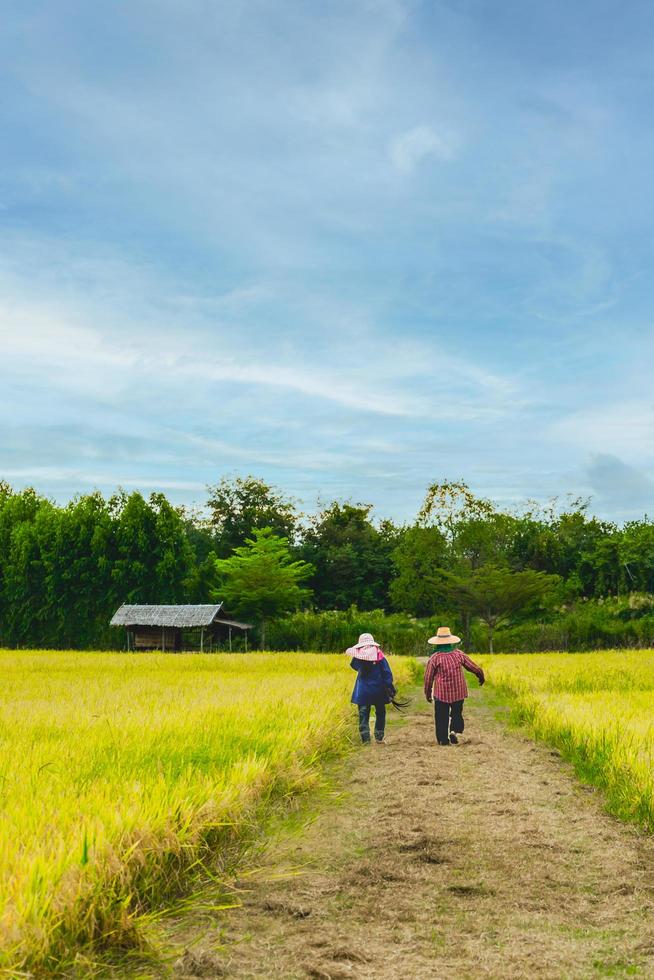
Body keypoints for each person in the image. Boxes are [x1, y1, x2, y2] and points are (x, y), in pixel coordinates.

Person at [423, 626, 485, 746]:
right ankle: (454, 732)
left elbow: (428, 678)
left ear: (437, 643)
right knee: (457, 713)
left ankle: (442, 740)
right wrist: (480, 675)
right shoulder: (458, 654)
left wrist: (427, 693)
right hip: (458, 692)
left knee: (441, 717)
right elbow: (473, 667)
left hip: (441, 694)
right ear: (451, 641)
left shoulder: (435, 658)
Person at [347, 632, 396, 745]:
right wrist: (389, 686)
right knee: (380, 712)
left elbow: (354, 666)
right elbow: (387, 673)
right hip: (378, 690)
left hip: (363, 691)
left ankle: (365, 739)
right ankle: (379, 737)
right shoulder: (380, 656)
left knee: (363, 714)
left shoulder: (358, 656)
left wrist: (361, 656)